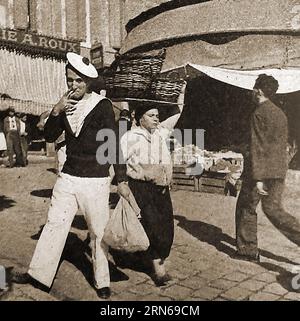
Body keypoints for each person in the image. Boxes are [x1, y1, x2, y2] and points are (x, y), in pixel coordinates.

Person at [11, 53, 130, 300]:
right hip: (68, 177)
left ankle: (102, 281)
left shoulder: (102, 106)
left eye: (77, 81)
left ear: (88, 82)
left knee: (98, 231)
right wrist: (56, 111)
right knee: (55, 224)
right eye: (69, 80)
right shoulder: (64, 104)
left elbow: (111, 143)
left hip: (95, 179)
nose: (72, 86)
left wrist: (122, 179)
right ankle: (38, 275)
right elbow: (50, 137)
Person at [120, 82, 186, 286]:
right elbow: (118, 161)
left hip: (162, 190)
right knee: (153, 228)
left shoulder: (161, 133)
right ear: (140, 118)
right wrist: (120, 185)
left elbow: (178, 113)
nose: (156, 118)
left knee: (166, 228)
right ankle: (159, 271)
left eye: (157, 115)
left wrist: (182, 92)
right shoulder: (130, 137)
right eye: (151, 115)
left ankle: (151, 258)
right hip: (141, 189)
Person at [235, 74, 300, 262]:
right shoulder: (280, 113)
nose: (251, 92)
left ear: (259, 91)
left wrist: (258, 179)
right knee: (274, 210)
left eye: (253, 89)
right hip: (278, 170)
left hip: (260, 172)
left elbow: (258, 146)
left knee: (246, 207)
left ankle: (247, 250)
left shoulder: (258, 113)